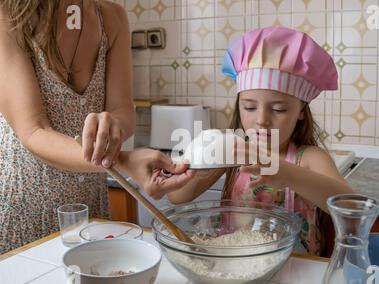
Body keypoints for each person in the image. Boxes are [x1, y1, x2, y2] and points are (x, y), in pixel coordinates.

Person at [0, 0, 193, 253]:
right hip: (24, 206)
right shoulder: (9, 14)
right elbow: (34, 131)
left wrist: (113, 124)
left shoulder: (112, 18)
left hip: (89, 206)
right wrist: (122, 161)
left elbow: (123, 110)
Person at [168, 27, 354, 255]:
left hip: (296, 272)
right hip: (237, 265)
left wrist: (286, 173)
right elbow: (177, 197)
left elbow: (349, 207)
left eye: (279, 108)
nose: (262, 120)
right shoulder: (233, 150)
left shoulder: (309, 158)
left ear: (301, 111)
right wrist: (202, 159)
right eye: (249, 106)